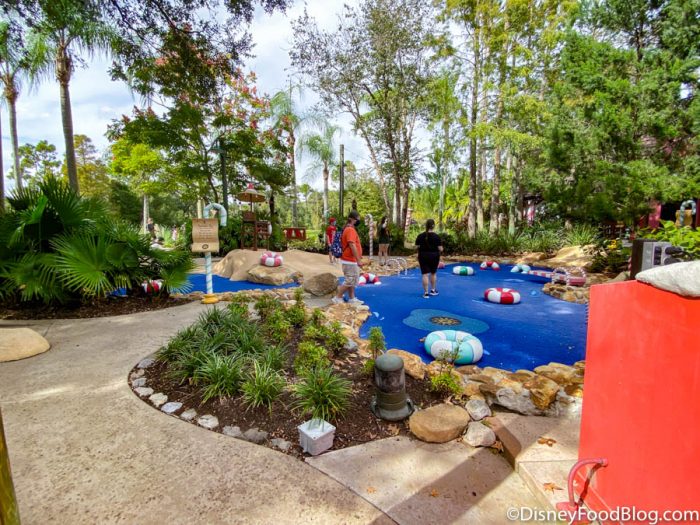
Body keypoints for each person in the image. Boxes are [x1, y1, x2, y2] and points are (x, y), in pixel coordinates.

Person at [332, 210, 364, 305]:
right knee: (350, 280)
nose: (358, 221)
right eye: (357, 219)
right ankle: (338, 297)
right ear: (352, 219)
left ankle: (352, 298)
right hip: (350, 260)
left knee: (352, 280)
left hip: (350, 260)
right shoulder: (350, 230)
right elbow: (352, 244)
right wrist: (358, 260)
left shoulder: (349, 229)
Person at [415, 218, 443, 298]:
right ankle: (433, 290)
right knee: (433, 273)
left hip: (423, 256)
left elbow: (416, 247)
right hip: (434, 256)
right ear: (433, 226)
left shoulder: (420, 236)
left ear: (426, 226)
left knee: (425, 274)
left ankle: (426, 293)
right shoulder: (436, 236)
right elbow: (440, 249)